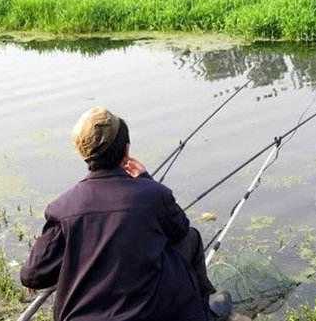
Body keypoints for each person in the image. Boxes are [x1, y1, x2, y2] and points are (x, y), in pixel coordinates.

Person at [20, 107, 237, 321]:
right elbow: (180, 230)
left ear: (83, 153)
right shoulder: (154, 194)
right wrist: (145, 180)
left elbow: (32, 275)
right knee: (191, 237)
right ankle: (205, 306)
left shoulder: (62, 208)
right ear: (126, 150)